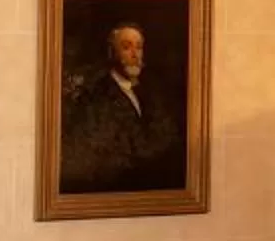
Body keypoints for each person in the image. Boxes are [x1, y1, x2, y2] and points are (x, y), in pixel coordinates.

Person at [61, 18, 185, 192]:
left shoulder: (150, 93)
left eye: (139, 47)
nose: (135, 54)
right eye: (127, 47)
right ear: (112, 52)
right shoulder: (97, 97)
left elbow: (168, 137)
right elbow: (108, 157)